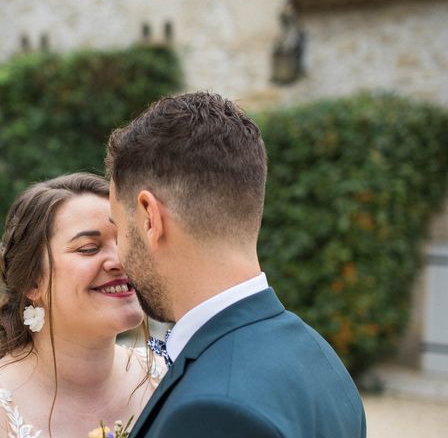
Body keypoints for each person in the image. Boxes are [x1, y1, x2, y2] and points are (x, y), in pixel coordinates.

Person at [105, 91, 366, 437]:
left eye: (118, 228)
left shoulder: (214, 411)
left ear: (150, 217)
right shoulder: (320, 357)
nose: (118, 256)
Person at [0, 173, 165, 438]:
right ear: (33, 283)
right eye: (88, 248)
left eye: (125, 240)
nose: (120, 260)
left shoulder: (165, 376)